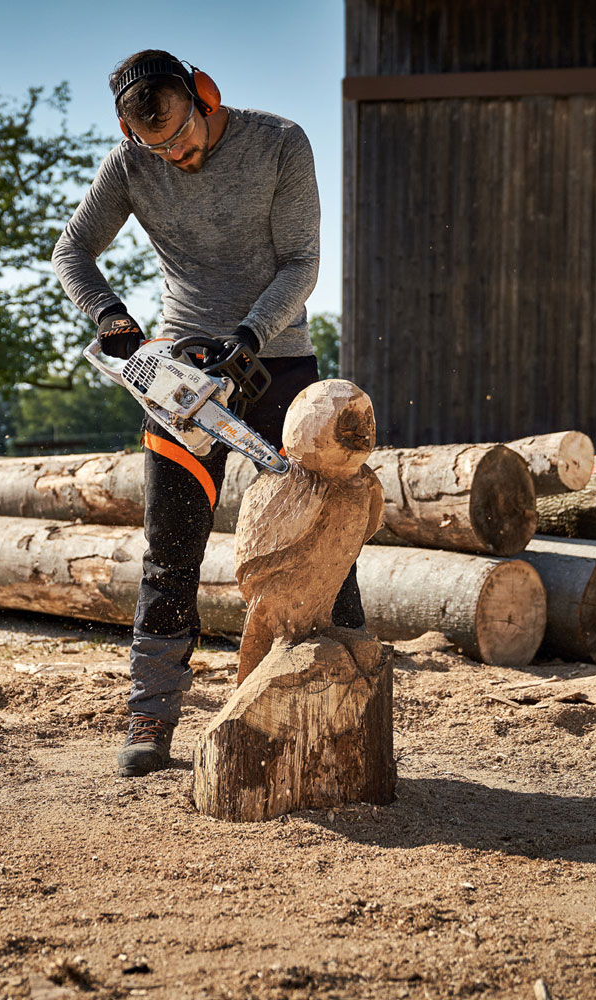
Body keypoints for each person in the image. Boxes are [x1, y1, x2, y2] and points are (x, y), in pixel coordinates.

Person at [52, 49, 364, 777]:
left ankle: (350, 696)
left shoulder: (279, 142)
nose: (176, 156)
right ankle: (151, 715)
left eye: (182, 138)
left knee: (323, 536)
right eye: (157, 147)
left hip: (278, 365)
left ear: (205, 96)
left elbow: (302, 261)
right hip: (181, 373)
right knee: (172, 548)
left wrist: (249, 337)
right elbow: (73, 250)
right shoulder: (130, 164)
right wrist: (109, 316)